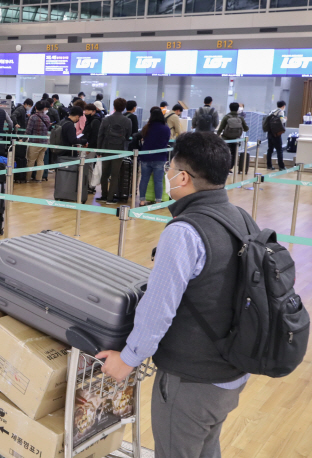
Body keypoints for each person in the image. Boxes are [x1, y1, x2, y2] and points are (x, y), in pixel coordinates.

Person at [98, 131, 254, 458]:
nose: (167, 174)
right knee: (205, 448)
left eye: (170, 168)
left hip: (191, 380)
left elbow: (159, 310)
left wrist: (127, 359)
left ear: (182, 177)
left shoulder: (184, 231)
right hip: (231, 372)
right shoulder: (240, 218)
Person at [96, 98, 132, 204]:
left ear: (114, 106)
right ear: (124, 108)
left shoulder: (106, 119)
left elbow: (100, 135)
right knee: (115, 175)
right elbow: (128, 135)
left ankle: (103, 195)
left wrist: (99, 150)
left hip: (106, 148)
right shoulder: (127, 121)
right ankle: (110, 198)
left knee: (105, 173)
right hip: (119, 150)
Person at [136, 107, 171, 206]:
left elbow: (142, 137)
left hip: (145, 157)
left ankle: (142, 201)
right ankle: (158, 201)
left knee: (144, 179)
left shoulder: (147, 127)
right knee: (158, 181)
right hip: (160, 158)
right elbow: (167, 141)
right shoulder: (166, 128)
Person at [217, 102, 249, 170]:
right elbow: (246, 129)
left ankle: (224, 167)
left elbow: (220, 128)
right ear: (238, 109)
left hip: (226, 139)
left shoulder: (226, 117)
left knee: (225, 153)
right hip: (236, 140)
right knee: (234, 154)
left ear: (230, 108)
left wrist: (217, 136)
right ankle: (230, 168)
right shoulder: (240, 118)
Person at [25, 100, 51, 182]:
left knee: (31, 161)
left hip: (35, 143)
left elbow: (28, 131)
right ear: (44, 108)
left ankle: (28, 178)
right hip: (44, 143)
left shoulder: (33, 117)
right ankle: (38, 179)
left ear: (35, 107)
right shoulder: (47, 117)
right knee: (40, 161)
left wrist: (23, 140)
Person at [265, 101, 287, 171]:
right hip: (276, 133)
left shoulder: (272, 111)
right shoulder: (280, 112)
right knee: (279, 150)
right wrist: (285, 119)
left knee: (270, 150)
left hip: (270, 133)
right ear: (283, 106)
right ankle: (281, 166)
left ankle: (269, 165)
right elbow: (282, 120)